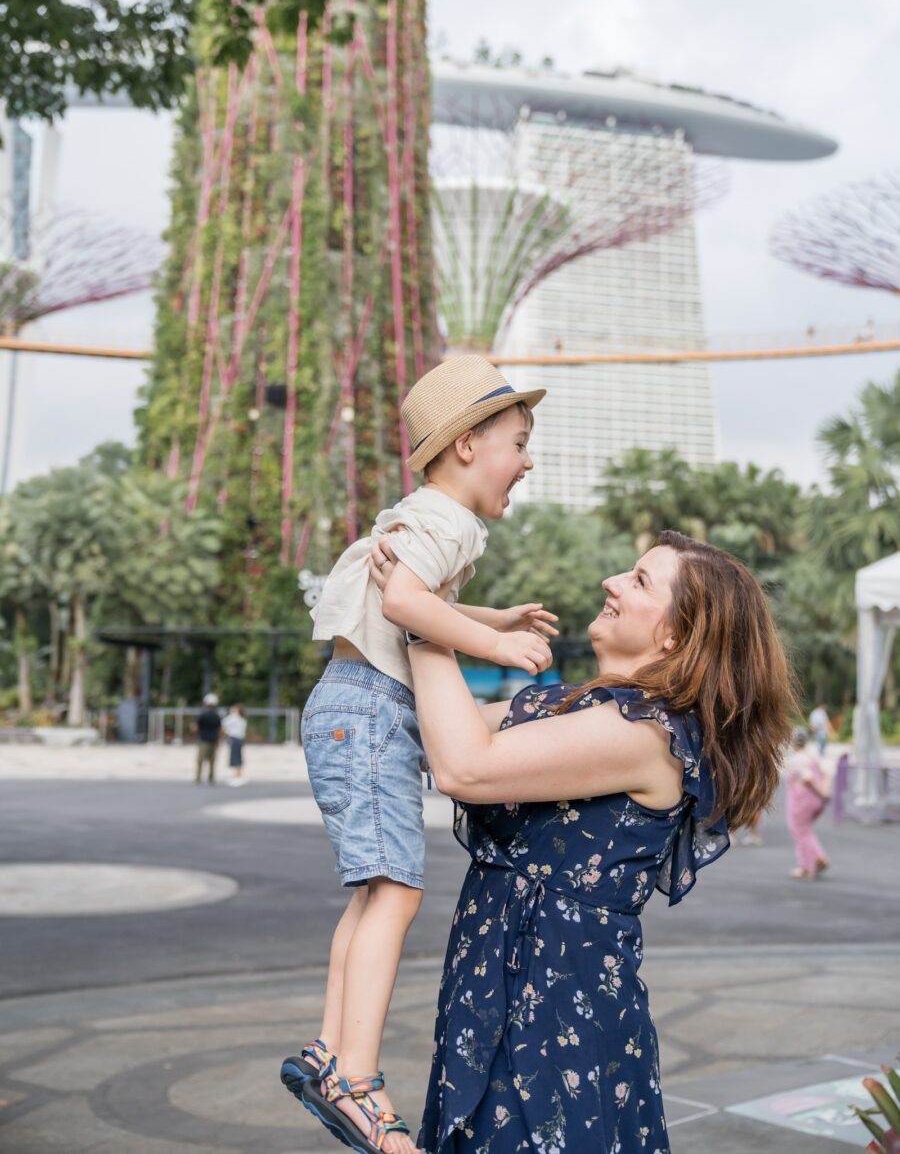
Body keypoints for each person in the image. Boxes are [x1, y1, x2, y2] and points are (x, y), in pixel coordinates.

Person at [374, 528, 794, 1154]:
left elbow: (465, 765)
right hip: (498, 988)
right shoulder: (568, 708)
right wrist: (416, 601)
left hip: (556, 1012)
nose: (612, 583)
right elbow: (432, 731)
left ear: (676, 634)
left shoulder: (650, 735)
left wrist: (420, 619)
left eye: (640, 580)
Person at [281, 356, 556, 1154]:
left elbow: (413, 595)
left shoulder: (426, 517)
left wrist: (489, 609)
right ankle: (356, 1080)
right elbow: (406, 604)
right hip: (369, 711)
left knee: (374, 894)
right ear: (467, 445)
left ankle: (332, 1051)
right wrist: (497, 641)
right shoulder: (445, 520)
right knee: (395, 893)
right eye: (518, 440)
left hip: (349, 705)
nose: (528, 459)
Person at [785, 726, 830, 879]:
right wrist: (824, 794)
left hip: (802, 801)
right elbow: (825, 773)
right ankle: (809, 864)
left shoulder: (797, 760)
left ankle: (814, 861)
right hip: (816, 801)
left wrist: (821, 794)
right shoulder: (812, 756)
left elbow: (807, 779)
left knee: (800, 831)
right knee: (805, 831)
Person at [194, 692, 222, 785]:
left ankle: (198, 777)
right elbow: (219, 729)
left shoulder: (202, 715)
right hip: (213, 739)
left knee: (200, 760)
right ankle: (211, 777)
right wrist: (218, 740)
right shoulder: (217, 715)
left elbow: (196, 727)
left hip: (203, 739)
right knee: (212, 760)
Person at [222, 703, 248, 785]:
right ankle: (238, 775)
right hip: (240, 739)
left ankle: (237, 776)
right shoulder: (242, 720)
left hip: (234, 738)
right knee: (238, 757)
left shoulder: (232, 719)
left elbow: (223, 725)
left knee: (235, 757)